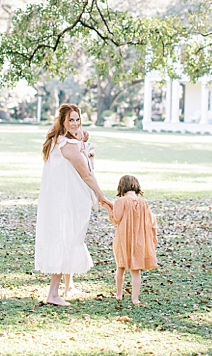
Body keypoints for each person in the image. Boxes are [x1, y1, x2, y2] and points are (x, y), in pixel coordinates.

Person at [35, 105, 111, 306]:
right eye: (71, 120)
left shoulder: (58, 141)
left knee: (71, 236)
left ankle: (68, 286)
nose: (76, 124)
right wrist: (101, 196)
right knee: (65, 238)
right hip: (65, 201)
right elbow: (86, 173)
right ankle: (53, 293)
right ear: (63, 122)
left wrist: (81, 140)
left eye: (78, 119)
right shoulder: (67, 145)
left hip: (65, 198)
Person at [102, 175, 158, 305]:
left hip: (123, 239)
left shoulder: (121, 201)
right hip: (139, 241)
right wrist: (153, 235)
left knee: (120, 267)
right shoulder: (144, 203)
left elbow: (116, 218)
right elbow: (152, 221)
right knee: (135, 270)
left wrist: (108, 209)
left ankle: (119, 294)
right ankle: (135, 298)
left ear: (121, 187)